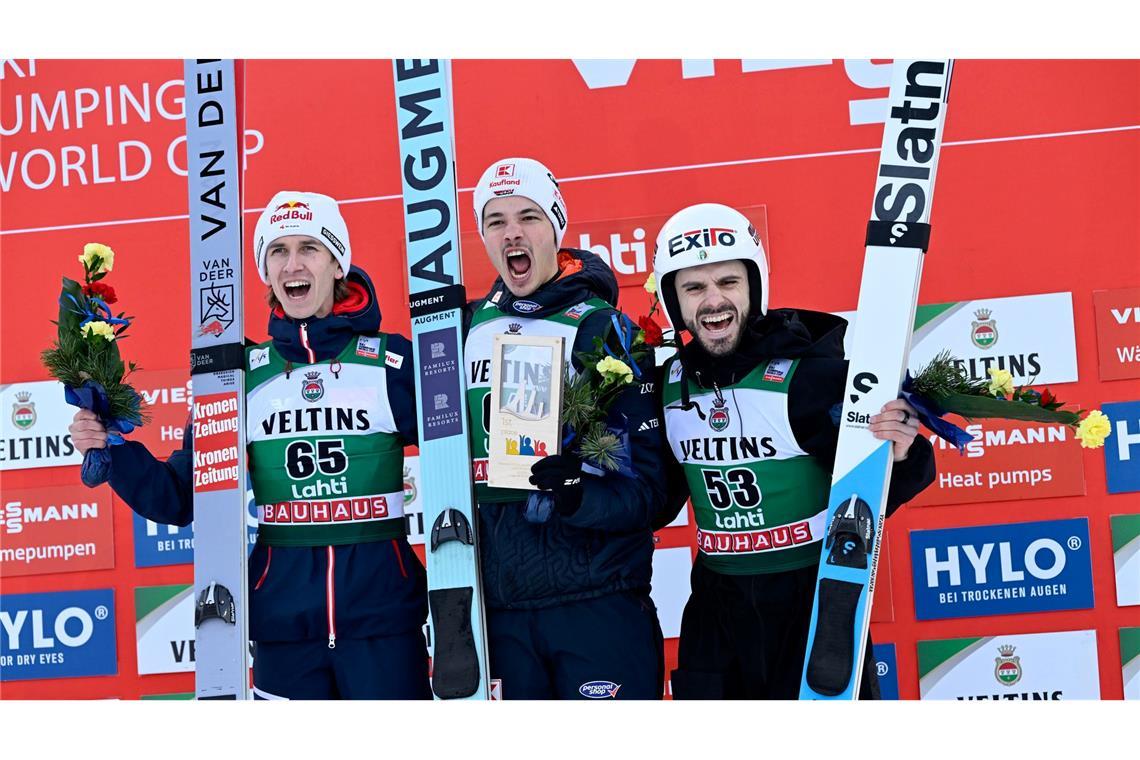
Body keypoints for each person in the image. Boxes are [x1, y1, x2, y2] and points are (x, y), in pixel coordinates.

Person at [68, 191, 431, 700]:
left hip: (383, 625)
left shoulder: (391, 363)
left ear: (337, 263)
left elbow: (460, 458)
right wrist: (114, 451)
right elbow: (180, 497)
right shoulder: (241, 375)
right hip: (283, 630)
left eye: (309, 247)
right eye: (278, 251)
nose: (292, 264)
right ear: (265, 271)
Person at [651, 202, 936, 700]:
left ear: (755, 287)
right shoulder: (668, 385)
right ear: (673, 301)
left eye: (729, 282)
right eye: (693, 288)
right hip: (717, 612)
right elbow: (656, 498)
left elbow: (886, 483)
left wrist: (902, 451)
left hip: (812, 604)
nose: (714, 301)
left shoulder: (808, 377)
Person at [463, 157, 666, 699]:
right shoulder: (465, 328)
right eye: (496, 221)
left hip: (596, 598)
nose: (512, 232)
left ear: (556, 226)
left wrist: (579, 494)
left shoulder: (604, 328)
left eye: (528, 216)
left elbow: (649, 491)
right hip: (501, 609)